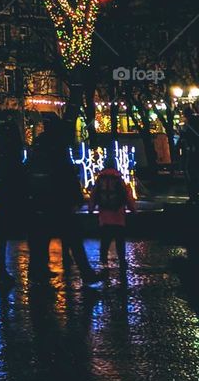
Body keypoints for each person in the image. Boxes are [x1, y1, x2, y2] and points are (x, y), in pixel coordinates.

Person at [26, 117, 100, 286]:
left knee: (41, 239)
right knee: (73, 237)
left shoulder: (39, 145)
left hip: (42, 200)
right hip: (59, 200)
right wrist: (76, 195)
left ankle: (37, 272)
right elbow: (65, 172)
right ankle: (86, 273)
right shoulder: (58, 146)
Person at [0, 120, 28, 287]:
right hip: (15, 196)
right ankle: (36, 267)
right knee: (29, 231)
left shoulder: (1, 153)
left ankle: (1, 269)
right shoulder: (13, 153)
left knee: (2, 234)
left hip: (4, 197)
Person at [90, 153, 136, 282]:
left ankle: (103, 262)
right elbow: (127, 196)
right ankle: (122, 261)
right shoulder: (119, 179)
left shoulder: (100, 180)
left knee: (105, 240)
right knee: (120, 240)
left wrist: (91, 209)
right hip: (118, 215)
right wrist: (133, 209)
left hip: (104, 215)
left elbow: (94, 196)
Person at [178, 108, 199, 204]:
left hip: (193, 152)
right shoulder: (193, 122)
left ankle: (193, 195)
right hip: (193, 151)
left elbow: (185, 136)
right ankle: (194, 195)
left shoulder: (190, 124)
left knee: (191, 173)